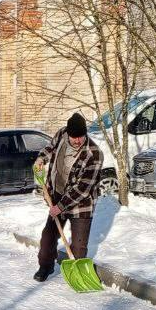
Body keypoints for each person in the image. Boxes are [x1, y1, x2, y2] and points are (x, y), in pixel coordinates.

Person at [32, 112, 104, 282]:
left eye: (81, 136)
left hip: (82, 203)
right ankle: (45, 266)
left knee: (78, 247)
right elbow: (49, 148)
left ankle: (79, 275)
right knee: (48, 237)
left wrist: (60, 207)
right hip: (57, 195)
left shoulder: (94, 154)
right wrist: (41, 159)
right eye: (74, 137)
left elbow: (82, 189)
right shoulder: (61, 134)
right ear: (68, 133)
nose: (77, 141)